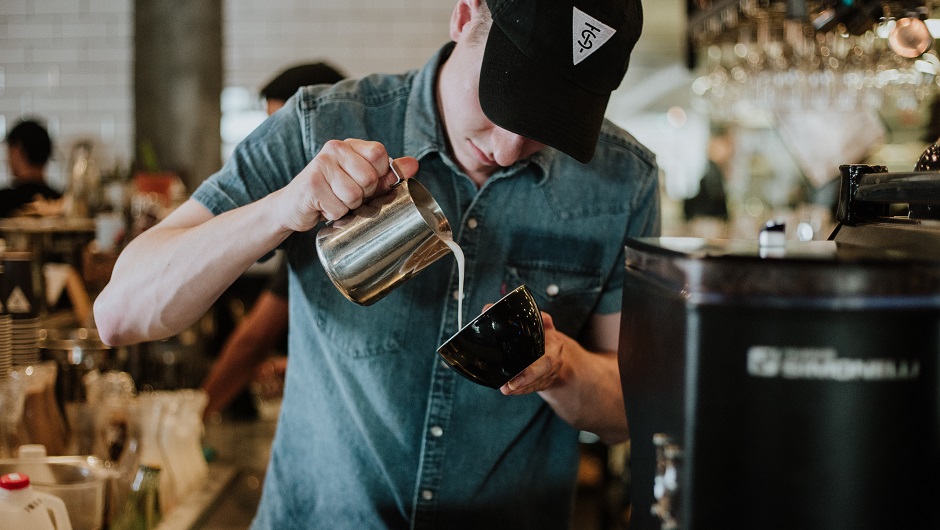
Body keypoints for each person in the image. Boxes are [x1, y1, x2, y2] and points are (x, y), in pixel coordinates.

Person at [94, 0, 659, 527]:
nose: (508, 148)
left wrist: (561, 367)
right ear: (465, 15)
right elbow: (121, 314)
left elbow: (629, 412)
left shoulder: (622, 184)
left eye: (546, 126)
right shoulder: (320, 124)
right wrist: (283, 208)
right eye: (504, 100)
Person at [201, 62, 346, 420]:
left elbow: (254, 340)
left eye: (287, 131)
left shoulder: (337, 218)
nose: (279, 149)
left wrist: (192, 418)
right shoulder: (311, 209)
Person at [1, 118, 61, 217]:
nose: (6, 159)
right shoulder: (61, 202)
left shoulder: (4, 202)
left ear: (17, 150)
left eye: (9, 151)